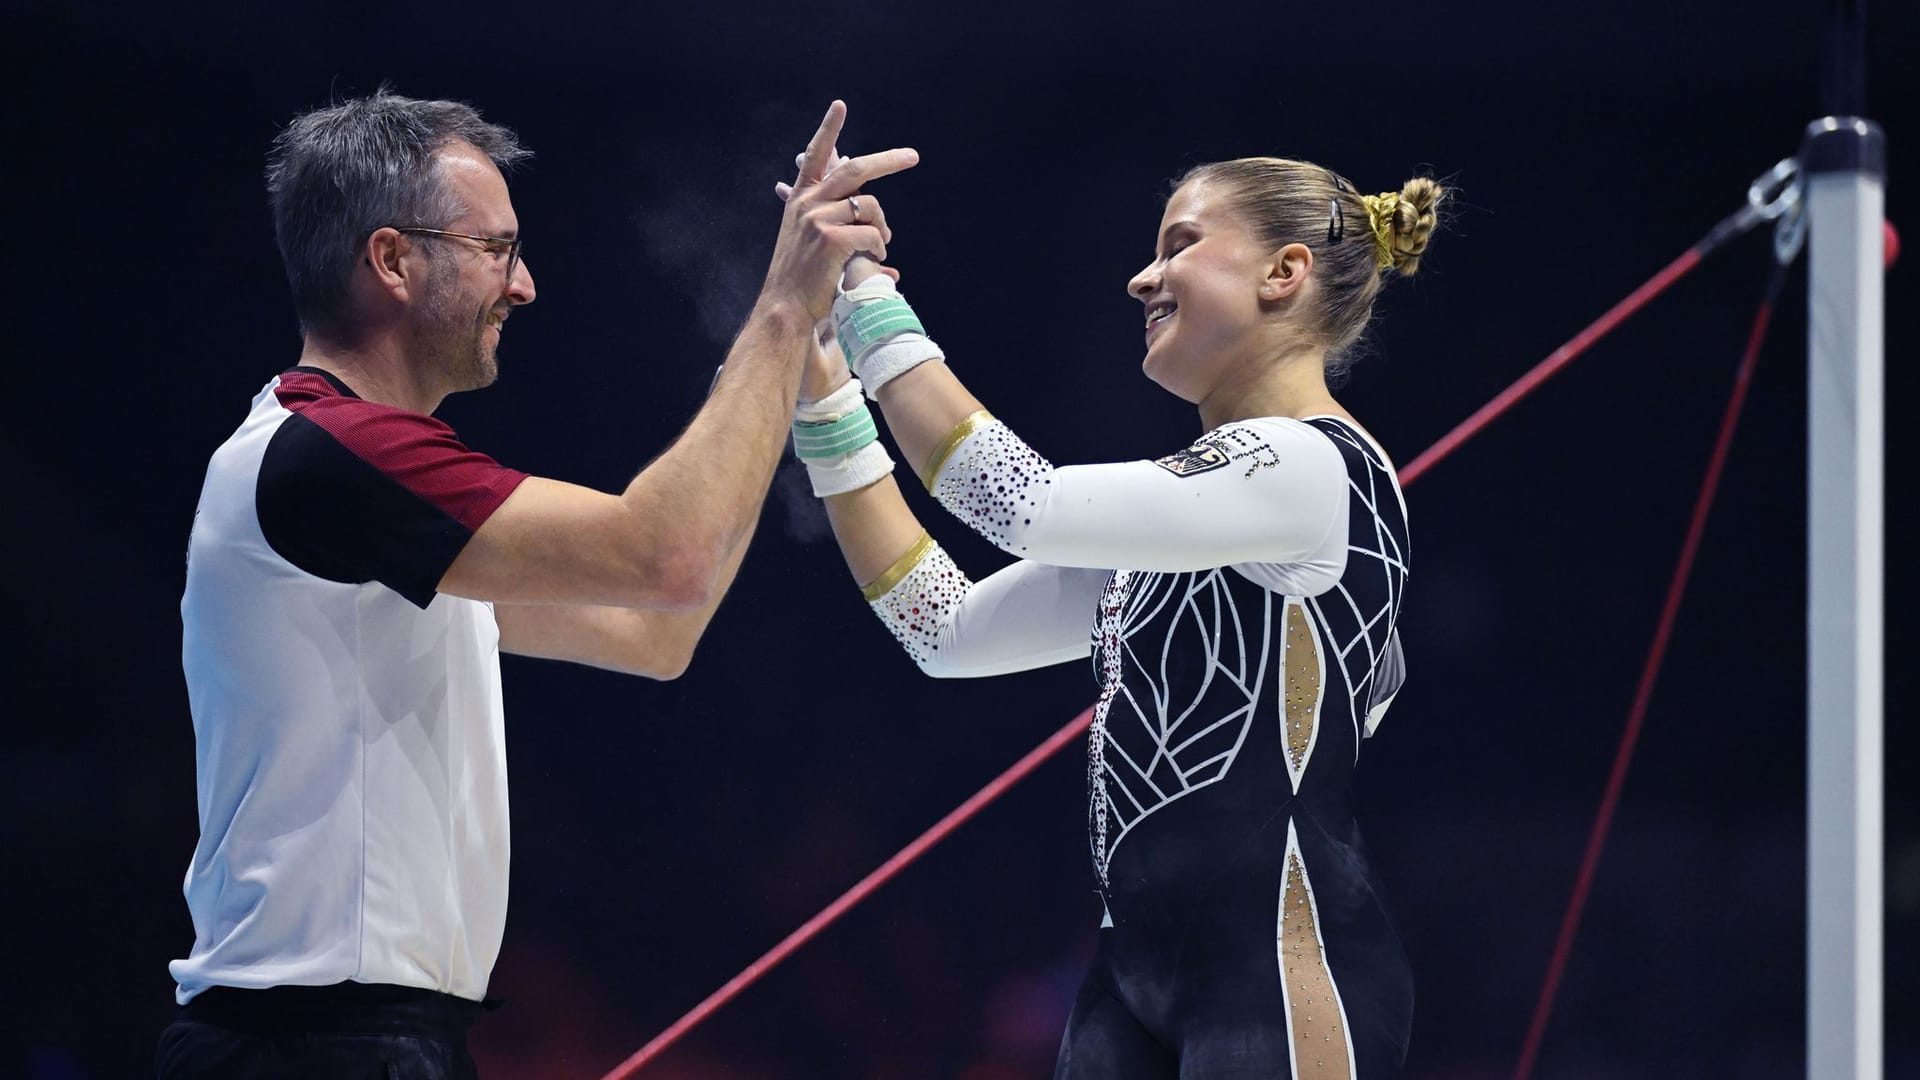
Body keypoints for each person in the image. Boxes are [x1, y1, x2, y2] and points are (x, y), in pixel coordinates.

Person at [161, 90, 915, 1079]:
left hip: (349, 1038)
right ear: (392, 260)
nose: (524, 287)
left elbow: (655, 631)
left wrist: (794, 357)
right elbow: (667, 555)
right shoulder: (331, 455)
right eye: (495, 248)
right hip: (315, 1045)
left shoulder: (349, 482)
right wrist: (782, 305)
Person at [787, 157, 1441, 1077]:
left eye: (1180, 245)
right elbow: (948, 629)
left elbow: (1021, 501)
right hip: (1127, 982)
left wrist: (862, 301)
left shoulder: (1309, 469)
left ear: (1282, 273)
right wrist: (825, 401)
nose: (1143, 276)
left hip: (1282, 970)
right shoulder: (1197, 515)